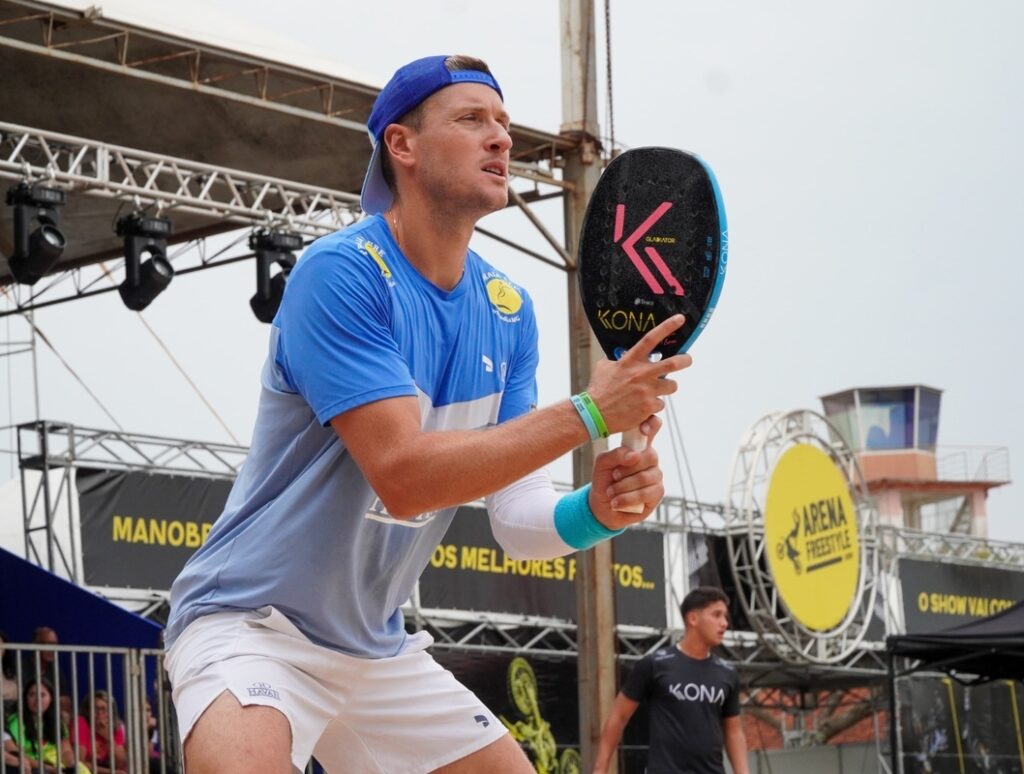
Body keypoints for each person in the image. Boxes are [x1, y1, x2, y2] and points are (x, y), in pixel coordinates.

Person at [164, 53, 691, 774]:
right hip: (253, 625)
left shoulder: (509, 310)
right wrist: (589, 414)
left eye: (504, 123)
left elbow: (516, 520)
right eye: (472, 119)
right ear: (401, 147)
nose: (502, 138)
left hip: (375, 650)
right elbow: (404, 477)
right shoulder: (340, 272)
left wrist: (596, 508)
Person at [593, 587, 749, 774]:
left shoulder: (727, 673)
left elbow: (733, 732)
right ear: (693, 619)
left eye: (725, 616)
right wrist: (600, 768)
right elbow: (618, 716)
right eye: (717, 615)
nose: (724, 623)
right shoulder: (654, 664)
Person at [4, 678, 79, 774]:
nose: (37, 699)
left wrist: (71, 765)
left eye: (42, 695)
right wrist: (51, 769)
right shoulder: (16, 721)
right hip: (34, 766)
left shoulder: (57, 720)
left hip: (58, 764)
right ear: (25, 698)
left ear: (51, 698)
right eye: (32, 695)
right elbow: (19, 754)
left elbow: (65, 750)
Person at [73, 692, 127, 774]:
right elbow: (80, 762)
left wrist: (108, 736)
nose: (99, 713)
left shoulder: (116, 726)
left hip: (108, 767)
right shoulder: (81, 723)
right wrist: (111, 772)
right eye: (95, 708)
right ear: (88, 710)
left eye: (104, 709)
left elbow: (121, 763)